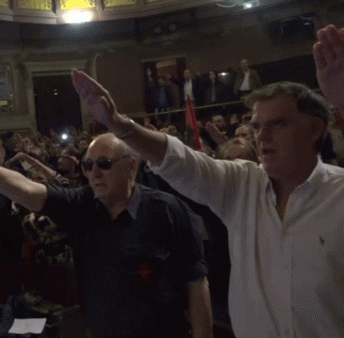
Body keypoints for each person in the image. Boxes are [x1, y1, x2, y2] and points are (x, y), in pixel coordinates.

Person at [69, 24, 344, 337]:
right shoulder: (244, 184)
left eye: (278, 125)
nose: (262, 138)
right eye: (256, 126)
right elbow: (181, 162)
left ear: (315, 130)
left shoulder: (339, 194)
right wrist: (119, 125)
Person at [0, 129, 212, 338]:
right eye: (88, 165)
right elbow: (25, 189)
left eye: (104, 164)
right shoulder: (83, 204)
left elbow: (195, 282)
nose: (94, 172)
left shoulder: (167, 211)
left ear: (132, 166)